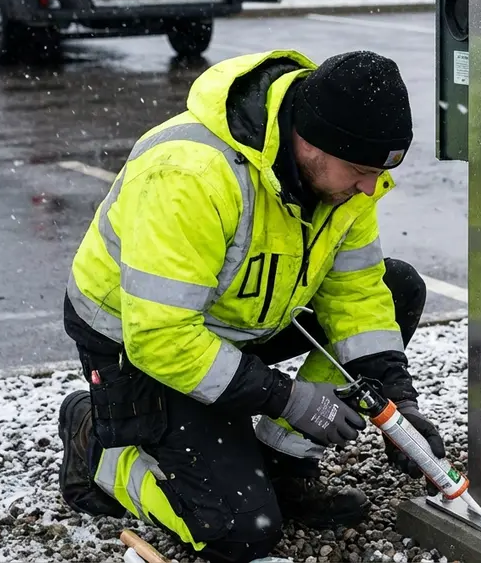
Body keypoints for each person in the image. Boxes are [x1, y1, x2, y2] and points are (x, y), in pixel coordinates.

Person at [54, 49, 447, 563]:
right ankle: (95, 448)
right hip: (134, 342)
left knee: (398, 289)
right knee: (240, 533)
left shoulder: (346, 184)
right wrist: (288, 398)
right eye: (359, 170)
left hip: (239, 322)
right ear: (309, 142)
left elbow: (357, 293)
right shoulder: (190, 174)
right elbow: (161, 337)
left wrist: (399, 401)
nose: (370, 188)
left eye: (378, 171)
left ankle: (283, 466)